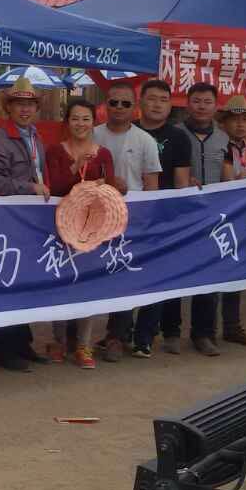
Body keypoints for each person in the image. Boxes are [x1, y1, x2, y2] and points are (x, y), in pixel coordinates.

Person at [45, 98, 125, 369]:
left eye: (86, 119)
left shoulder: (103, 154)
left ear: (94, 122)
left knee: (88, 283)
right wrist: (75, 165)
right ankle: (58, 341)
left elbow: (110, 186)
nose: (80, 124)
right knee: (60, 282)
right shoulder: (55, 151)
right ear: (67, 122)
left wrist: (105, 185)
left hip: (92, 227)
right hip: (61, 224)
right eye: (75, 118)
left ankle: (84, 344)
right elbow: (55, 187)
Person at [0, 76, 53, 372]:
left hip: (31, 222)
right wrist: (31, 188)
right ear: (8, 107)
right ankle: (4, 349)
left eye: (30, 104)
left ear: (36, 108)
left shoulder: (36, 137)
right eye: (18, 104)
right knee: (8, 283)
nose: (25, 109)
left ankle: (23, 343)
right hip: (7, 222)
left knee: (27, 284)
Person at [91, 82, 160, 362]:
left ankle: (117, 337)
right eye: (113, 102)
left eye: (125, 103)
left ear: (135, 108)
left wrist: (146, 223)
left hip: (132, 221)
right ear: (105, 105)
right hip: (93, 218)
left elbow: (151, 186)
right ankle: (77, 340)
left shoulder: (145, 141)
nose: (119, 108)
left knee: (124, 277)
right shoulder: (92, 134)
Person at [131, 79, 194, 359]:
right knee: (126, 273)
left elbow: (181, 181)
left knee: (161, 274)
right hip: (128, 215)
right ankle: (118, 334)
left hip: (163, 216)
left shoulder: (178, 138)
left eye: (163, 99)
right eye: (152, 98)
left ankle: (151, 335)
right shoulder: (128, 130)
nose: (157, 104)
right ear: (140, 102)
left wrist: (176, 217)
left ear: (170, 105)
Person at [175, 82, 234, 357]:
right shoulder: (176, 133)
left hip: (214, 215)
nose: (201, 106)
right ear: (188, 104)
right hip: (180, 214)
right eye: (196, 101)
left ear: (215, 106)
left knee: (210, 274)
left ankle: (204, 334)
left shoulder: (224, 138)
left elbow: (228, 173)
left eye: (207, 102)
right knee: (175, 272)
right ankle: (171, 332)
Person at [216, 95, 246, 347]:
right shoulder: (220, 147)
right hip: (221, 215)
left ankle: (232, 326)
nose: (240, 124)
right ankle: (206, 329)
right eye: (234, 119)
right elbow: (225, 181)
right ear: (224, 123)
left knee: (236, 271)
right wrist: (238, 179)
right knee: (216, 272)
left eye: (245, 119)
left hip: (244, 216)